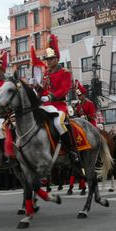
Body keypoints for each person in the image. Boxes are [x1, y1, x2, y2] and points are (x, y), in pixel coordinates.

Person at [38, 34, 81, 171]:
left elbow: (64, 89)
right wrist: (37, 90)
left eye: (50, 59)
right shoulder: (45, 74)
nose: (48, 62)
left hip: (59, 106)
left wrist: (50, 97)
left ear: (57, 58)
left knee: (59, 123)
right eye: (47, 59)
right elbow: (43, 90)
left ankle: (71, 151)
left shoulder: (65, 72)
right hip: (45, 106)